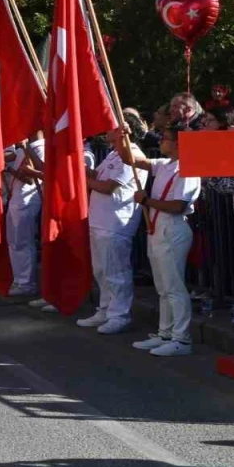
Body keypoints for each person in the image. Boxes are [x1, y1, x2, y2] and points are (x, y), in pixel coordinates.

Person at [120, 125, 202, 357]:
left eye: (165, 139)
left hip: (173, 230)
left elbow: (178, 206)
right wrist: (120, 138)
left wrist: (147, 200)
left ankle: (182, 339)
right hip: (157, 229)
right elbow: (131, 159)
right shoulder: (164, 165)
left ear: (178, 143)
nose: (160, 142)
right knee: (163, 288)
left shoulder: (188, 170)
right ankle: (165, 333)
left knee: (174, 287)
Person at [77, 125, 145, 335]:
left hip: (116, 222)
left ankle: (119, 315)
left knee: (116, 271)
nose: (105, 130)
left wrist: (82, 180)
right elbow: (97, 175)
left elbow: (108, 187)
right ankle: (105, 309)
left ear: (124, 130)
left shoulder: (132, 155)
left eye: (111, 127)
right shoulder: (113, 153)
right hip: (100, 219)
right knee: (101, 269)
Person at [5, 133, 45, 297]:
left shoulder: (40, 147)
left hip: (27, 199)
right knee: (14, 241)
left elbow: (31, 177)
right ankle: (19, 279)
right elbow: (9, 157)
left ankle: (26, 282)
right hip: (16, 197)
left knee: (23, 241)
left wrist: (8, 169)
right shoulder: (25, 146)